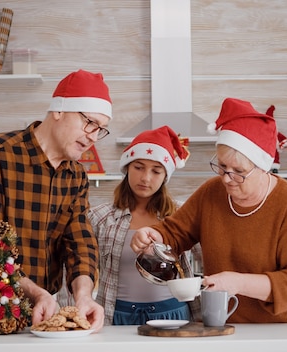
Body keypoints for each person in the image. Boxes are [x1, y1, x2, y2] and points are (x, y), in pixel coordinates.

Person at [0, 69, 111, 340]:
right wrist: (37, 294)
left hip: (45, 307)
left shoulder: (77, 175)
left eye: (100, 129)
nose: (93, 136)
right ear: (59, 110)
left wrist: (84, 296)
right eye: (89, 123)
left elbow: (80, 243)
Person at [130, 97, 287, 323]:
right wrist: (154, 234)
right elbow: (176, 231)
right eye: (221, 167)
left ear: (263, 168)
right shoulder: (211, 192)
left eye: (238, 171)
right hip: (228, 325)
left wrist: (238, 283)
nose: (227, 179)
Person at [59, 125, 199, 325]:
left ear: (165, 176)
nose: (145, 178)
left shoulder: (181, 215)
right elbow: (71, 264)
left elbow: (213, 256)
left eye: (156, 171)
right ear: (127, 168)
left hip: (173, 314)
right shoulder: (99, 217)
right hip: (116, 316)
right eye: (139, 167)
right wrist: (70, 313)